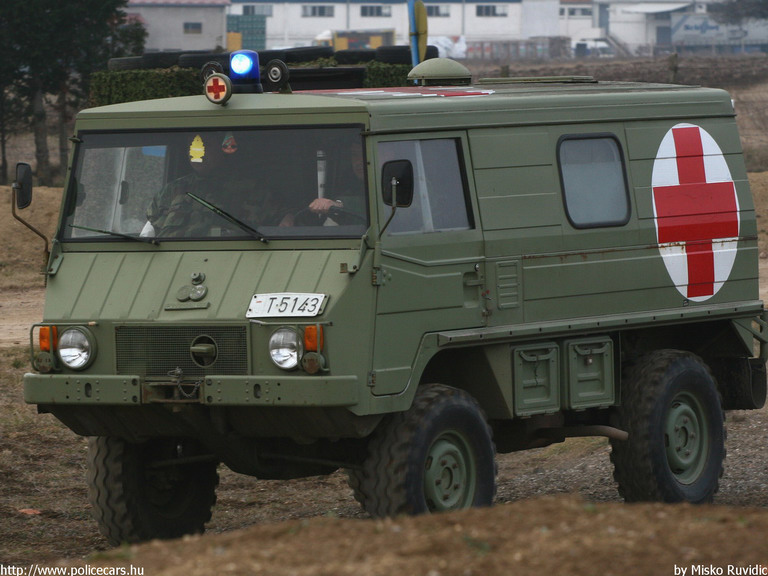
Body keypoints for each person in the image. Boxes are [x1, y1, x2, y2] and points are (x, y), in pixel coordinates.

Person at [142, 132, 293, 238]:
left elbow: (286, 226)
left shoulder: (254, 190)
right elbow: (148, 234)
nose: (197, 152)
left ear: (223, 148)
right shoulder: (172, 190)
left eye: (205, 145)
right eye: (191, 145)